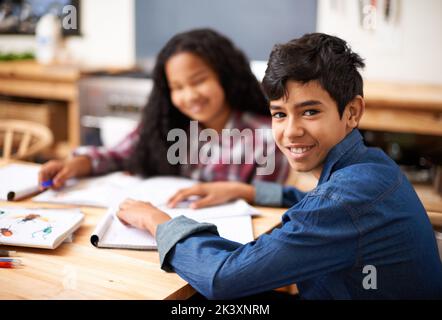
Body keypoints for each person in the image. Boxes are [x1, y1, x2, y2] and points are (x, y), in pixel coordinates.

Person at [117, 33, 442, 299]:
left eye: (310, 112)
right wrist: (247, 189)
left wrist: (158, 222)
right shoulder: (372, 167)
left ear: (352, 112)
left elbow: (223, 279)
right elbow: (328, 205)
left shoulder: (342, 200)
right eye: (279, 114)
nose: (291, 131)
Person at [38, 28, 289, 191]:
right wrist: (75, 164)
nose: (190, 96)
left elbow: (272, 204)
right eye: (177, 87)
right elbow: (116, 155)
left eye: (199, 81)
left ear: (225, 76)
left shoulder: (267, 138)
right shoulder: (166, 125)